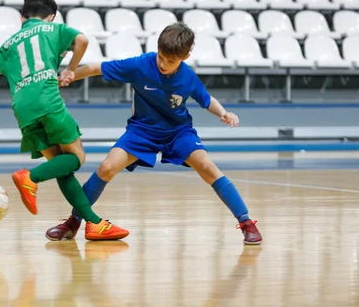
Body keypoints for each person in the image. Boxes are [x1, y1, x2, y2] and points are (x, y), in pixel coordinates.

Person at [46, 22, 263, 245]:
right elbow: (96, 68)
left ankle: (246, 222)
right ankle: (73, 221)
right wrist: (71, 74)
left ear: (185, 56)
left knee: (208, 167)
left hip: (178, 132)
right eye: (161, 57)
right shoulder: (141, 64)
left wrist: (224, 113)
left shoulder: (187, 77)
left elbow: (207, 100)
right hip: (141, 131)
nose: (163, 64)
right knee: (106, 167)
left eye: (170, 61)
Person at [0, 0, 129, 241]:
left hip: (23, 110)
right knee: (76, 157)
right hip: (48, 101)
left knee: (62, 169)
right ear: (52, 15)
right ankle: (30, 177)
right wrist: (69, 69)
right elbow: (82, 40)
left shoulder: (9, 43)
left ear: (22, 17)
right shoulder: (53, 28)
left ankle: (94, 223)